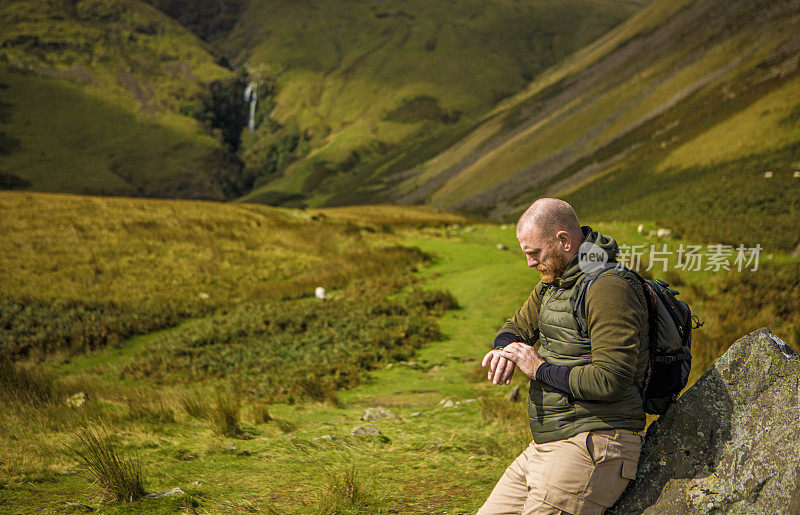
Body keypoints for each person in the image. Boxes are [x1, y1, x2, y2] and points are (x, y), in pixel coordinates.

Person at [479, 198, 649, 515]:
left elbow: (610, 380)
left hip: (597, 444)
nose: (529, 262)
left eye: (534, 252)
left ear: (563, 240)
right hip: (546, 445)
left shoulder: (609, 287)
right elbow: (516, 326)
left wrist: (539, 369)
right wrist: (506, 349)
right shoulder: (554, 282)